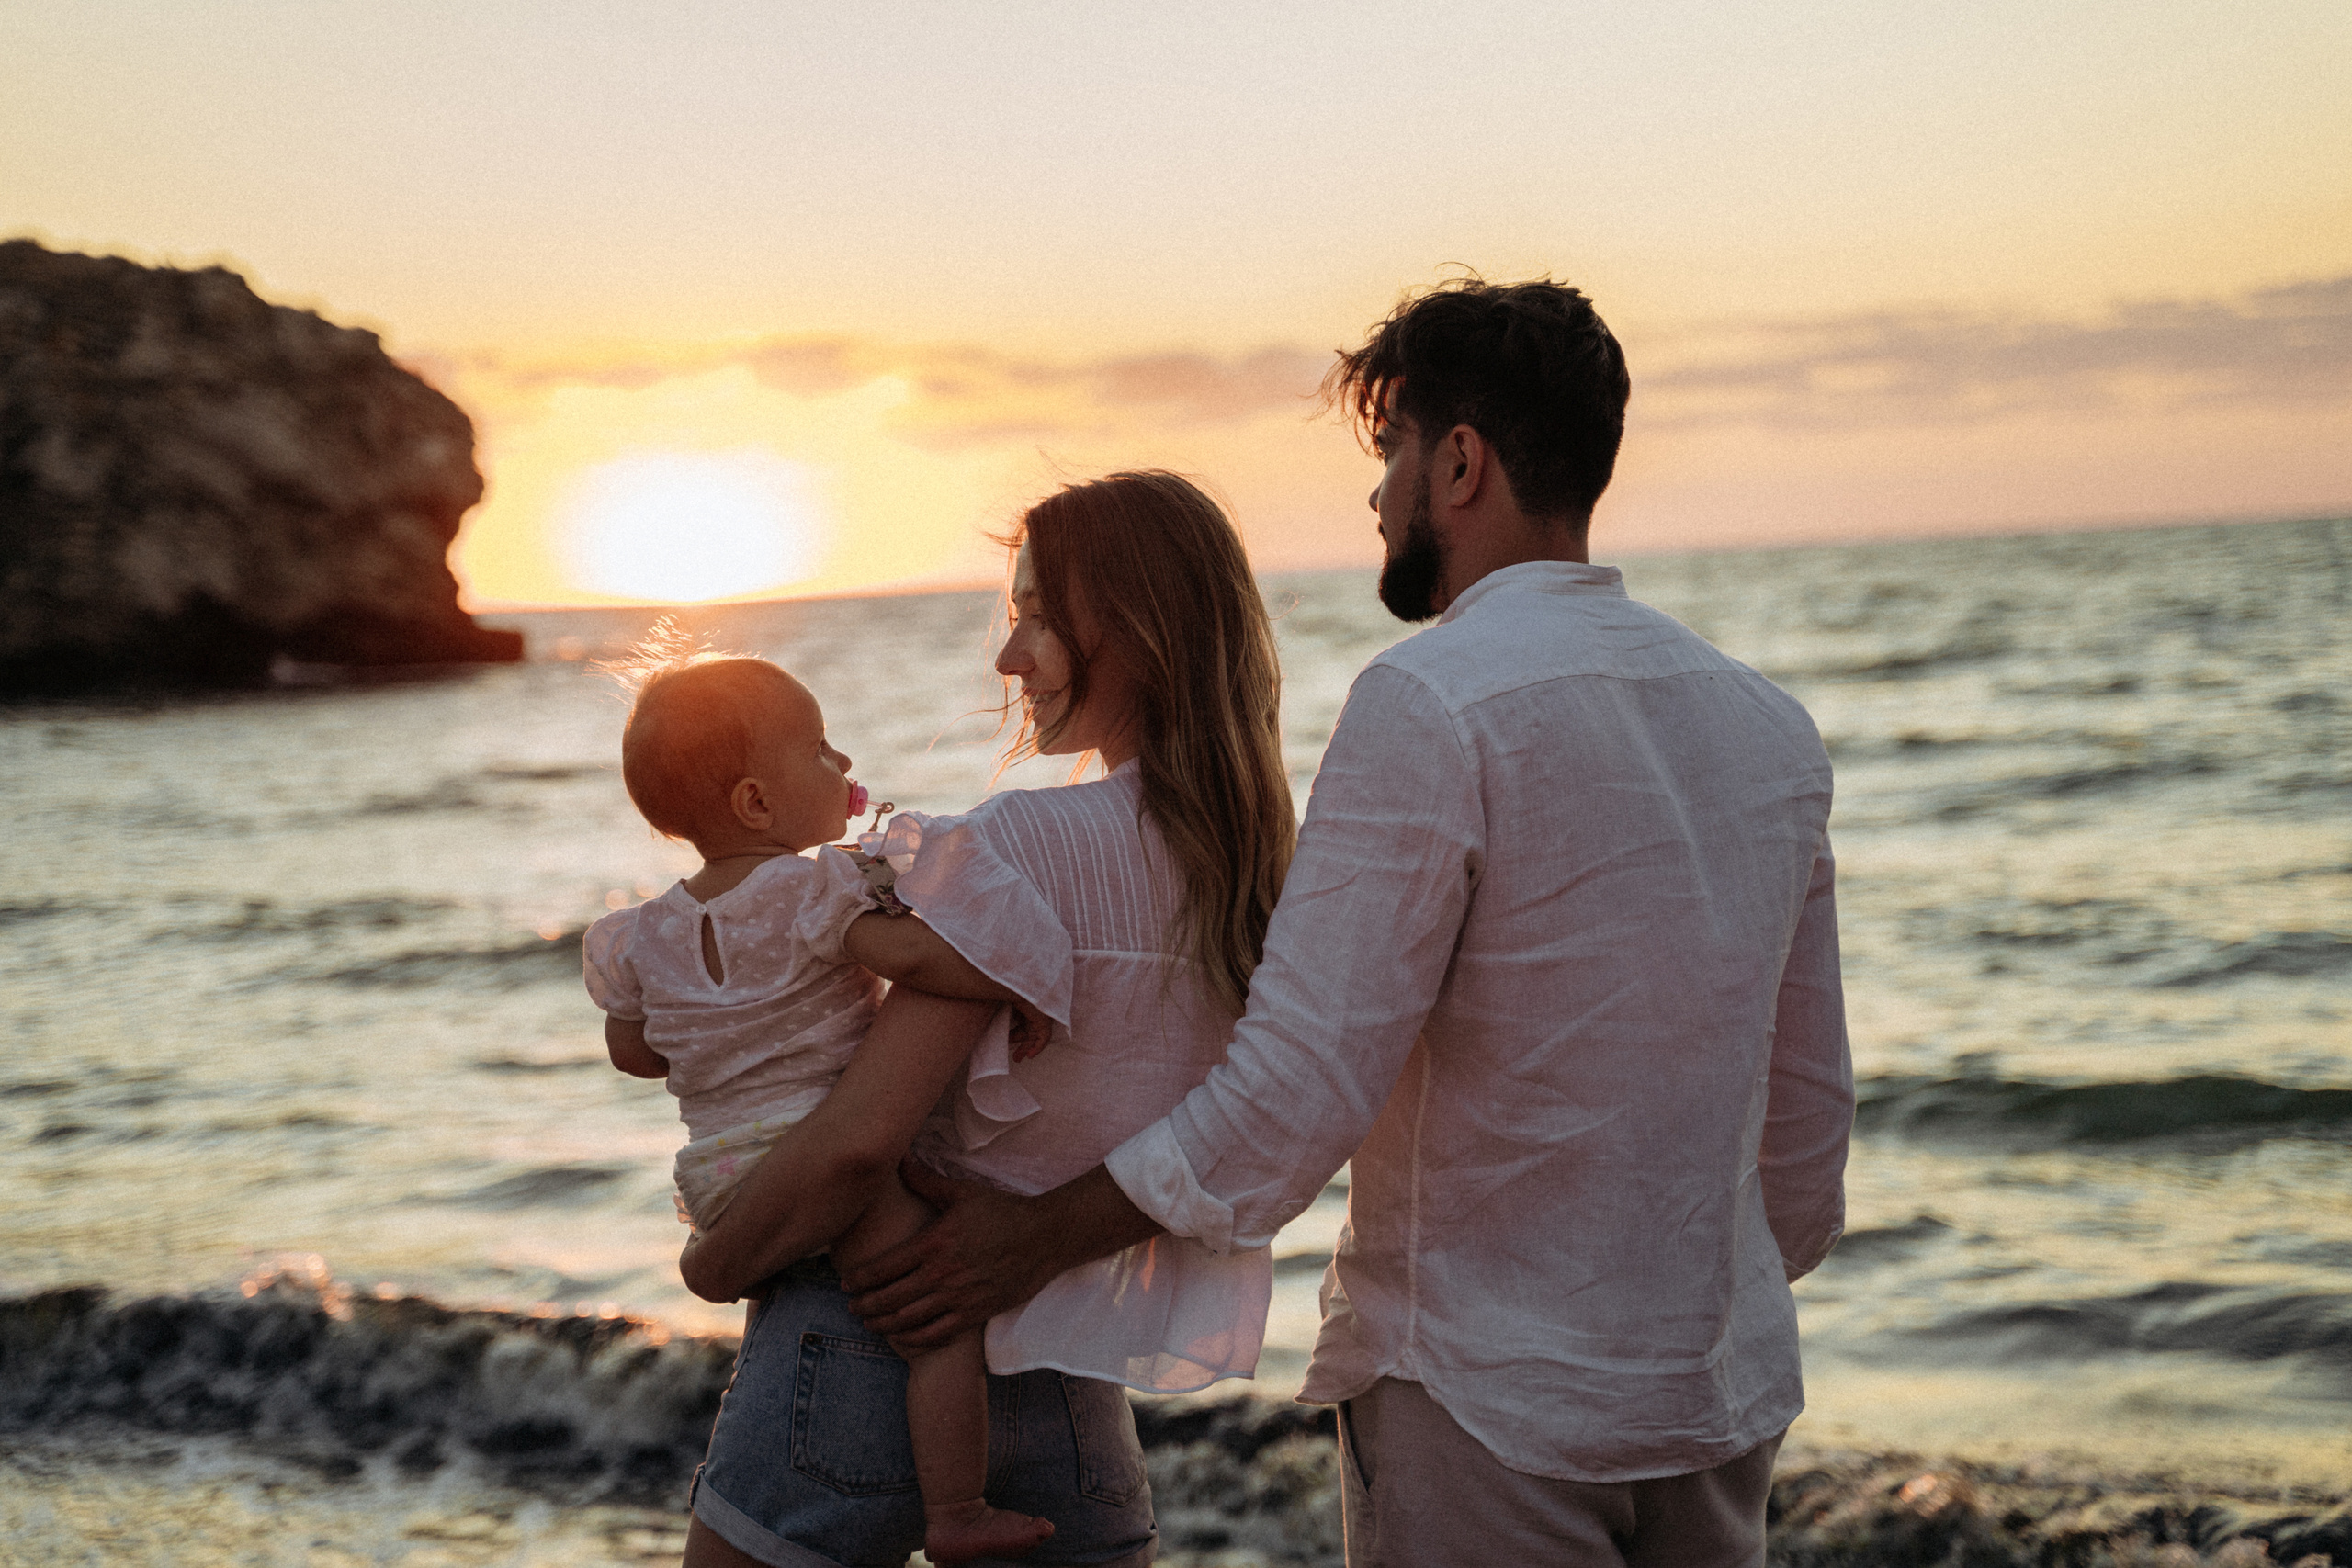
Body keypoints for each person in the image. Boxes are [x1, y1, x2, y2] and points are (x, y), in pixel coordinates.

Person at [844, 279, 1857, 1568]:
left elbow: (1297, 1083)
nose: (1379, 499)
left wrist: (1026, 1238)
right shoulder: (1767, 724)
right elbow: (1808, 1124)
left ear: (1460, 461)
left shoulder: (1430, 702)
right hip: (1721, 1401)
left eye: (1391, 455)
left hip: (1486, 1402)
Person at [670, 470, 1295, 1568]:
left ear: (1140, 629)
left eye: (1038, 621)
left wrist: (717, 1264)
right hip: (1063, 1369)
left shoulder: (1019, 849)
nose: (1008, 661)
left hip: (871, 1337)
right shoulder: (1258, 881)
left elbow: (864, 1138)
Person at [582, 638, 1056, 1564]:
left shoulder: (640, 936)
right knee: (936, 1322)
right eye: (821, 750)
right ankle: (956, 1512)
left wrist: (710, 1031)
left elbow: (631, 1049)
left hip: (720, 1177)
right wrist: (1016, 982)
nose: (841, 765)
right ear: (757, 802)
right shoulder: (814, 888)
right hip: (824, 1158)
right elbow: (909, 958)